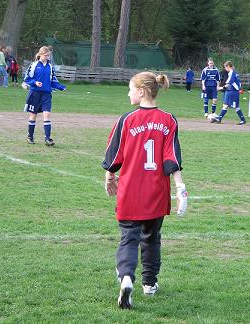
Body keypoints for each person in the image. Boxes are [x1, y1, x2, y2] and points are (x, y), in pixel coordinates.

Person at [102, 71, 188, 309]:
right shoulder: (169, 120)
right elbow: (172, 159)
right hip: (156, 192)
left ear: (142, 91)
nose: (128, 93)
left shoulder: (126, 120)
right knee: (151, 239)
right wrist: (181, 189)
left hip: (130, 191)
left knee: (129, 237)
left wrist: (109, 177)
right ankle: (149, 284)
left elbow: (114, 156)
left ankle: (127, 277)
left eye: (130, 88)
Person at [23, 46, 66, 146]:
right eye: (46, 55)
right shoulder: (34, 65)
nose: (48, 57)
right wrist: (35, 82)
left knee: (47, 115)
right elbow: (26, 79)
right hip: (35, 94)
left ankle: (47, 138)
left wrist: (61, 87)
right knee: (33, 115)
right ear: (41, 54)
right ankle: (30, 136)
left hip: (46, 94)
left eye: (49, 56)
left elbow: (53, 81)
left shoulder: (50, 67)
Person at [210, 61, 246, 125]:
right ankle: (219, 119)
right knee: (225, 105)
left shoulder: (232, 73)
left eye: (225, 67)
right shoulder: (231, 73)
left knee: (236, 106)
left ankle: (243, 120)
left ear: (228, 66)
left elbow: (228, 84)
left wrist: (220, 88)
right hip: (229, 91)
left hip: (233, 92)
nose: (225, 69)